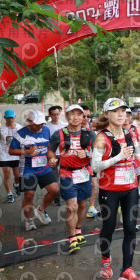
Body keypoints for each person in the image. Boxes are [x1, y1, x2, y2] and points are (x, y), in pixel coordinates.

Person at [91, 98, 140, 280]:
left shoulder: (128, 133)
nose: (121, 114)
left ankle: (127, 270)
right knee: (109, 227)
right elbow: (95, 167)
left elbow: (138, 154)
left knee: (130, 227)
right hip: (109, 190)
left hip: (130, 188)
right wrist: (119, 157)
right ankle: (106, 260)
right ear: (107, 114)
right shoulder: (101, 137)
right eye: (115, 111)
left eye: (123, 111)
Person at [47, 105, 93, 254]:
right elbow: (50, 150)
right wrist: (52, 159)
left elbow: (100, 153)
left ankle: (78, 230)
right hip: (67, 174)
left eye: (79, 114)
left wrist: (88, 155)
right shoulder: (59, 134)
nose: (76, 117)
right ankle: (72, 237)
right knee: (71, 206)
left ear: (83, 117)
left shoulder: (89, 134)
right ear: (66, 116)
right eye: (72, 114)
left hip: (84, 173)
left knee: (82, 204)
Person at [8, 110, 59, 231]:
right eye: (37, 124)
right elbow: (11, 151)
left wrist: (52, 158)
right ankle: (28, 220)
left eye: (42, 123)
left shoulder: (46, 130)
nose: (40, 126)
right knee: (29, 195)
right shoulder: (20, 134)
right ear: (29, 121)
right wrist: (27, 152)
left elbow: (49, 148)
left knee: (55, 190)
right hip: (27, 169)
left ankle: (41, 210)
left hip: (44, 167)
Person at [0, 109, 22, 203]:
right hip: (5, 155)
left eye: (12, 118)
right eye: (8, 118)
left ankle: (16, 184)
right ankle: (9, 194)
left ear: (14, 117)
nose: (10, 120)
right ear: (5, 118)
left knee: (17, 176)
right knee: (7, 173)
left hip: (16, 154)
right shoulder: (0, 129)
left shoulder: (19, 128)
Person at [47, 105, 68, 206]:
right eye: (53, 114)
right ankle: (57, 197)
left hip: (64, 155)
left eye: (57, 114)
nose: (56, 116)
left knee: (65, 176)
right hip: (53, 155)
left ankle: (67, 195)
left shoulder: (65, 125)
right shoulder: (46, 127)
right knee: (54, 177)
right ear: (50, 115)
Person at [82, 104, 100, 218]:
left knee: (94, 185)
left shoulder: (92, 129)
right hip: (76, 165)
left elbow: (96, 149)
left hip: (90, 162)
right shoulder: (71, 129)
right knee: (82, 187)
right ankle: (79, 208)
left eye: (88, 116)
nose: (86, 118)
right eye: (83, 116)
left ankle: (91, 208)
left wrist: (89, 155)